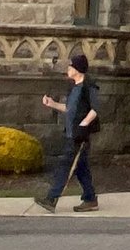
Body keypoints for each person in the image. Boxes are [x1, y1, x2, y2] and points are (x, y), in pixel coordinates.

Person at [34, 52, 100, 213]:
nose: (68, 69)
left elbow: (95, 109)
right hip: (72, 133)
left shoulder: (88, 87)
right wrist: (53, 104)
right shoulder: (73, 88)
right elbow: (69, 109)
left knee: (65, 165)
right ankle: (90, 199)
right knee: (80, 167)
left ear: (77, 69)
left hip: (80, 135)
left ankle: (51, 198)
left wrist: (83, 125)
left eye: (71, 66)